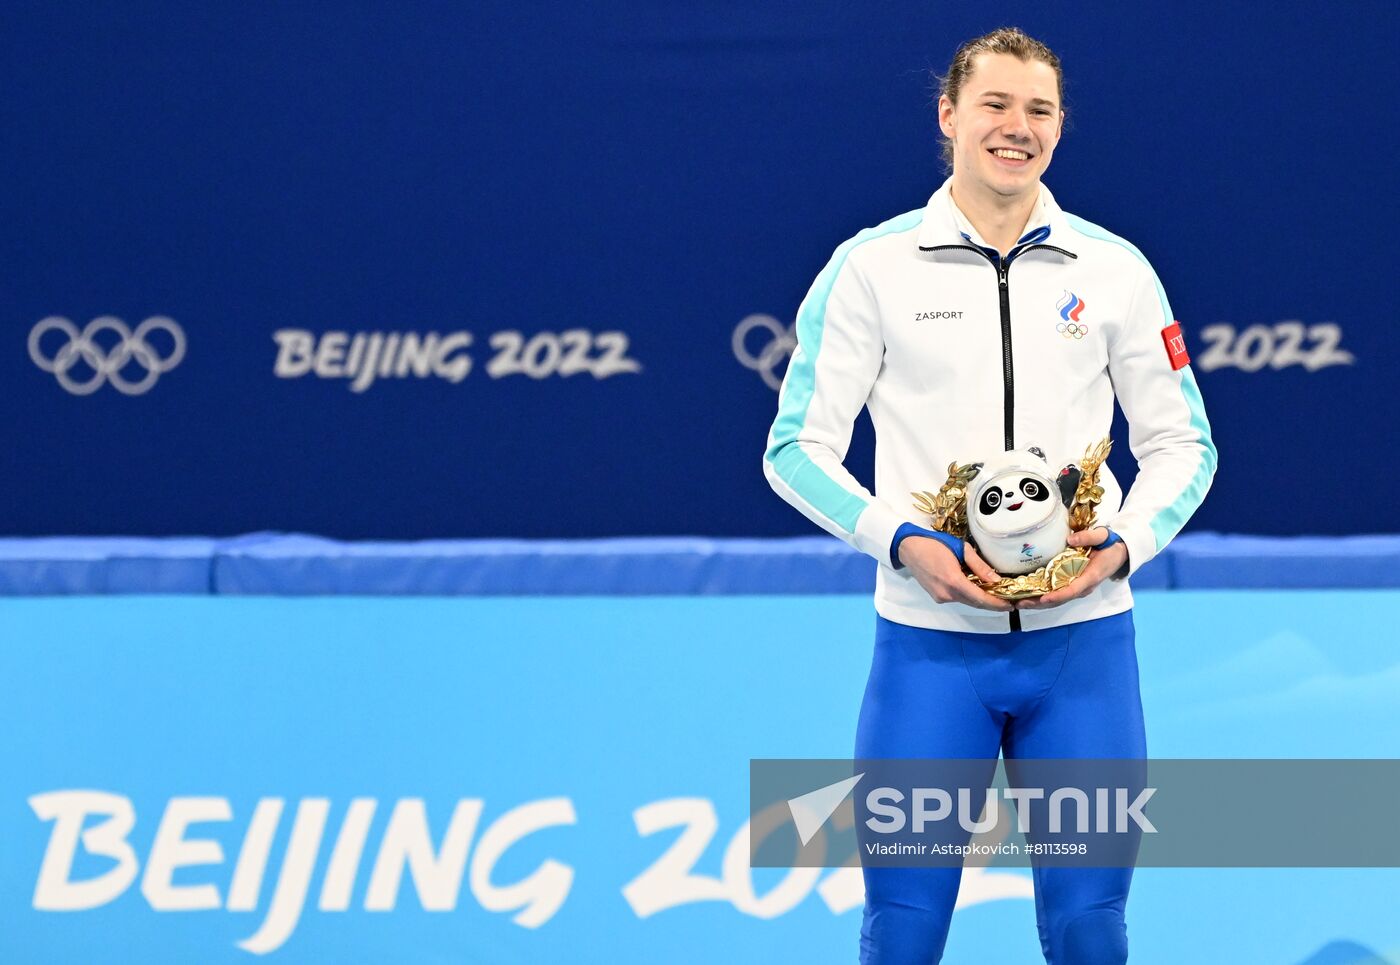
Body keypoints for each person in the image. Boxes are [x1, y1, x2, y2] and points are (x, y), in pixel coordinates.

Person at [762, 27, 1216, 965]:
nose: (1018, 128)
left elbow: (1185, 446)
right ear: (949, 116)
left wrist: (1122, 544)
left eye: (1039, 110)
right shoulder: (871, 268)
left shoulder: (1116, 270)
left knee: (1092, 934)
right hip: (928, 655)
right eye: (996, 105)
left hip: (1083, 649)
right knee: (903, 936)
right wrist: (901, 542)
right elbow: (793, 450)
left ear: (1061, 127)